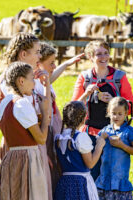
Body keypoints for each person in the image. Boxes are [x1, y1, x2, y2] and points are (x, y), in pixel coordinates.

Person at [0, 33, 54, 199]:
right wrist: (44, 112)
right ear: (23, 54)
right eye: (36, 52)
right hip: (20, 144)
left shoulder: (28, 79)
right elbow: (22, 115)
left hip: (31, 140)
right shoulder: (10, 83)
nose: (40, 56)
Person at [71, 40, 133, 180]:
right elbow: (73, 109)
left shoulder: (119, 77)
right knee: (91, 176)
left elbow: (131, 107)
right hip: (89, 134)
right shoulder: (85, 78)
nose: (103, 57)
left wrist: (114, 100)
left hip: (115, 136)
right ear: (90, 57)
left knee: (113, 178)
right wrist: (86, 94)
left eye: (106, 53)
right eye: (98, 54)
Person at [37, 42, 84, 191]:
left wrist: (66, 64)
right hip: (46, 127)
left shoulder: (45, 81)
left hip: (54, 126)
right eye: (51, 63)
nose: (53, 67)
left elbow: (52, 76)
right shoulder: (37, 84)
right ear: (38, 64)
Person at [54, 101, 106, 200]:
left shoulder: (58, 137)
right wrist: (99, 146)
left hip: (64, 183)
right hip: (80, 183)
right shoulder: (80, 137)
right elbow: (90, 164)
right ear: (83, 119)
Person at [96, 97, 133, 200]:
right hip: (104, 180)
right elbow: (97, 150)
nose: (116, 116)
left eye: (120, 114)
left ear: (126, 113)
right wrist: (100, 140)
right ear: (108, 112)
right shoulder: (105, 131)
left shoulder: (129, 132)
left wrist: (122, 145)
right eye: (113, 113)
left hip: (120, 180)